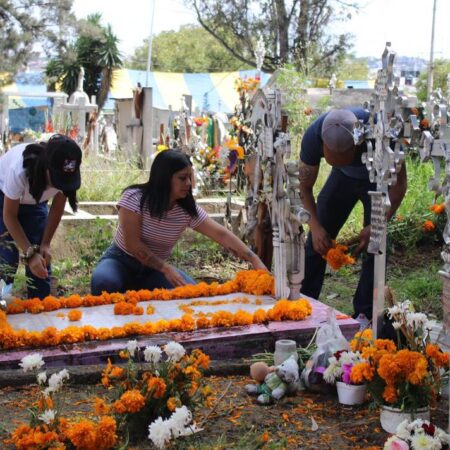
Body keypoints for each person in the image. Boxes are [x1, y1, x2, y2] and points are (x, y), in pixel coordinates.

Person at [91, 149, 267, 294]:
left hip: (154, 269)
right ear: (164, 178)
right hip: (121, 261)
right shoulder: (134, 198)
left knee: (191, 294)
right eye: (183, 178)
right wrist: (166, 268)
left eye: (190, 177)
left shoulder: (186, 210)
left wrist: (255, 260)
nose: (189, 183)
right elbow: (133, 245)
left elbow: (221, 234)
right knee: (104, 283)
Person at [298, 108, 407, 326]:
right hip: (342, 180)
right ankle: (304, 303)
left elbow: (398, 190)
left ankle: (365, 314)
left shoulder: (383, 135)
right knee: (316, 244)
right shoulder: (313, 136)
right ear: (322, 146)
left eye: (344, 158)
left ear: (358, 144)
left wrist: (378, 223)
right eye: (332, 160)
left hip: (377, 180)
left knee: (375, 245)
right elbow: (304, 188)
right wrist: (316, 227)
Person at [0, 134, 82, 299]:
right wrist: (29, 253)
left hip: (35, 204)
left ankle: (40, 308)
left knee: (41, 261)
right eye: (58, 179)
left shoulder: (68, 173)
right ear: (46, 168)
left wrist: (45, 244)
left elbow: (57, 208)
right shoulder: (20, 170)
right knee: (7, 258)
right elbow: (9, 215)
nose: (62, 185)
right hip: (3, 199)